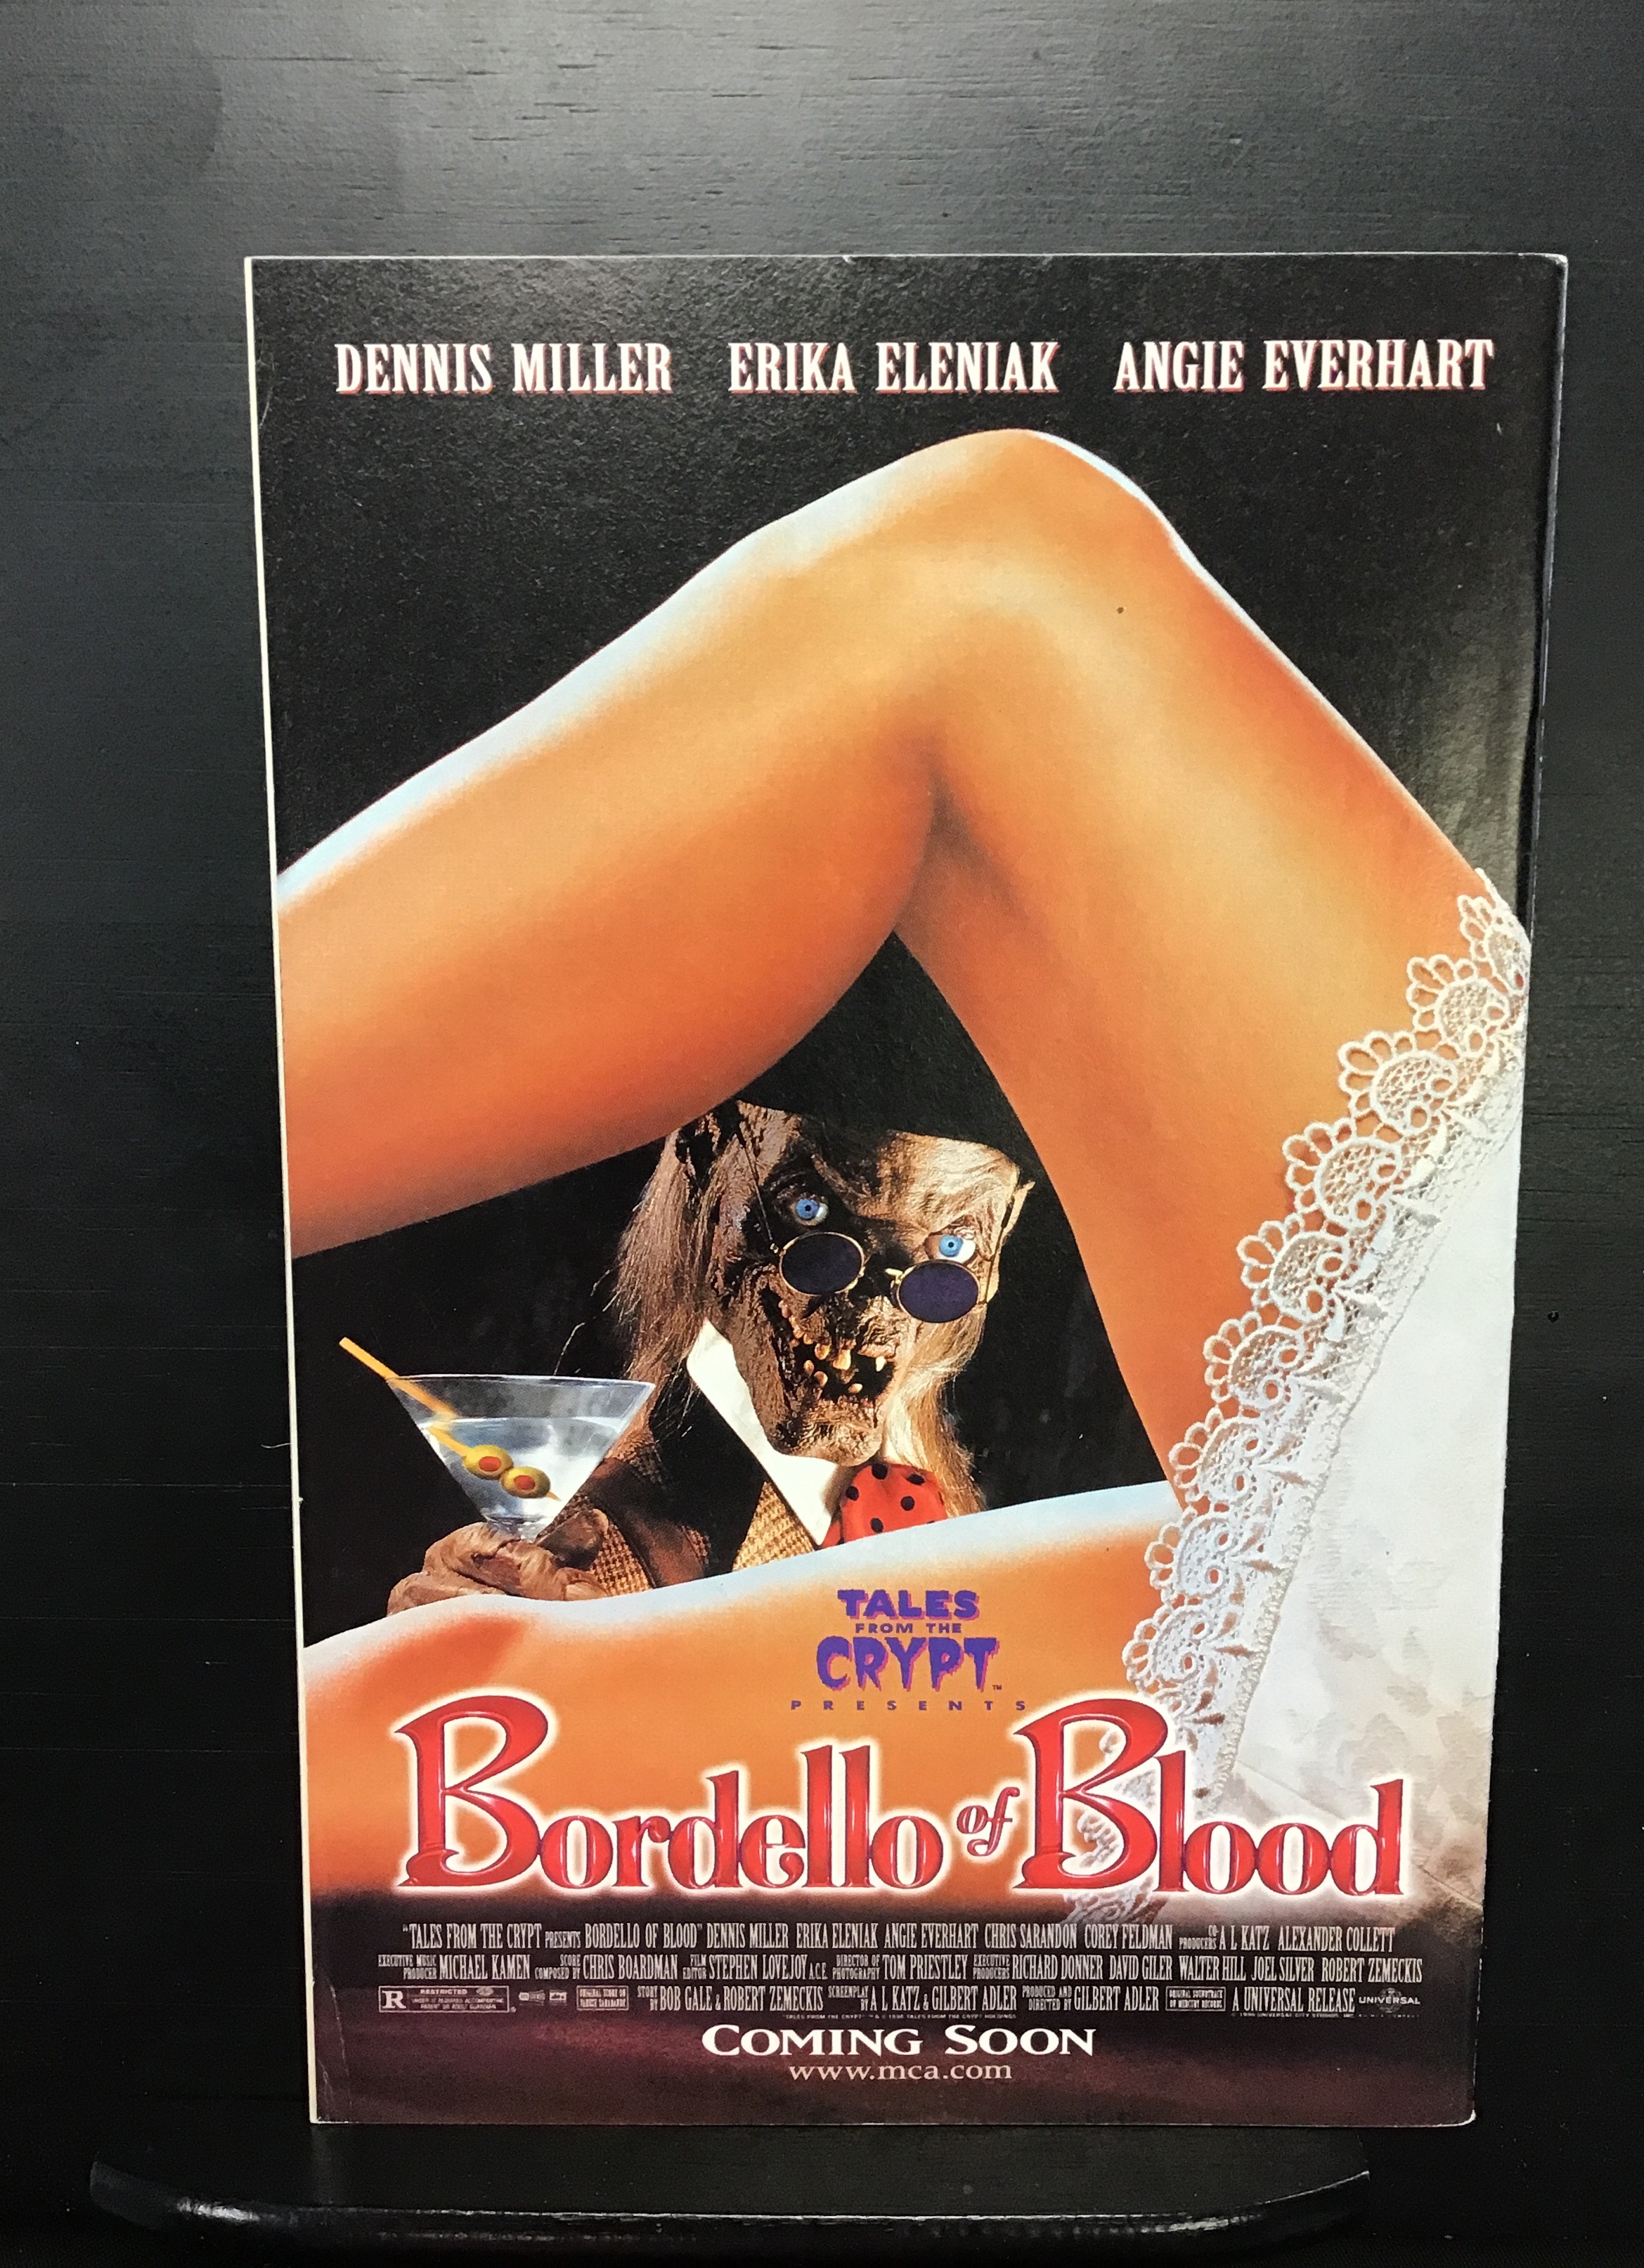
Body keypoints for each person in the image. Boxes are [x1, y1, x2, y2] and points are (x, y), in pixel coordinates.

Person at [284, 432, 1527, 1912]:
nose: (871, 1324)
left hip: (1512, 1601)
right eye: (820, 1251)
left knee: (991, 572)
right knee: (429, 1712)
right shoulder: (639, 1464)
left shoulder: (885, 1481)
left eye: (938, 1276)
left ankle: (107, 1173)